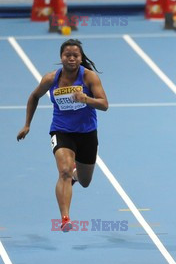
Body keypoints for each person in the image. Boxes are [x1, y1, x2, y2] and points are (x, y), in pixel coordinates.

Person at [17, 39, 108, 232]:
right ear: (61, 57)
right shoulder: (51, 79)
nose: (72, 58)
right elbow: (34, 96)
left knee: (85, 182)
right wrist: (27, 124)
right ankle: (65, 218)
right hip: (61, 131)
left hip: (87, 133)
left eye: (76, 55)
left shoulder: (89, 78)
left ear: (80, 57)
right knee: (64, 171)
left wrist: (87, 99)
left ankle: (75, 175)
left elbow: (104, 104)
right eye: (68, 55)